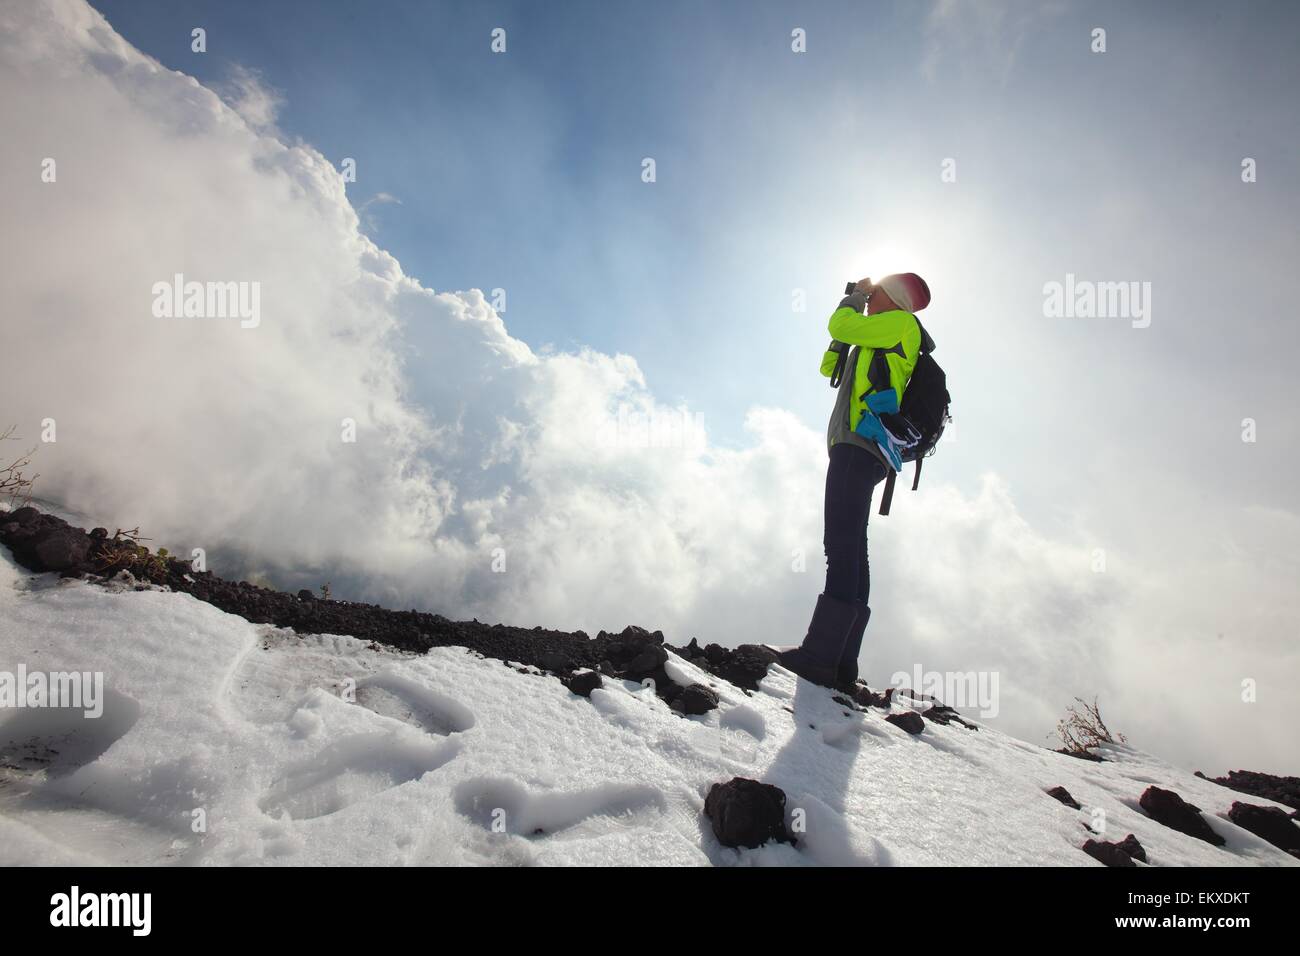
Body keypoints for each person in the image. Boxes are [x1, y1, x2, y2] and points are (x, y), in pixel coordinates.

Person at [778, 272, 932, 689]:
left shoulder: (900, 324)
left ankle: (820, 656)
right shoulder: (878, 334)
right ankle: (843, 663)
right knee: (852, 547)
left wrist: (853, 302)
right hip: (863, 446)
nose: (868, 297)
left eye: (875, 292)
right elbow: (829, 365)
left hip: (860, 444)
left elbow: (838, 323)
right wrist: (846, 334)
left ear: (893, 298)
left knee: (840, 545)